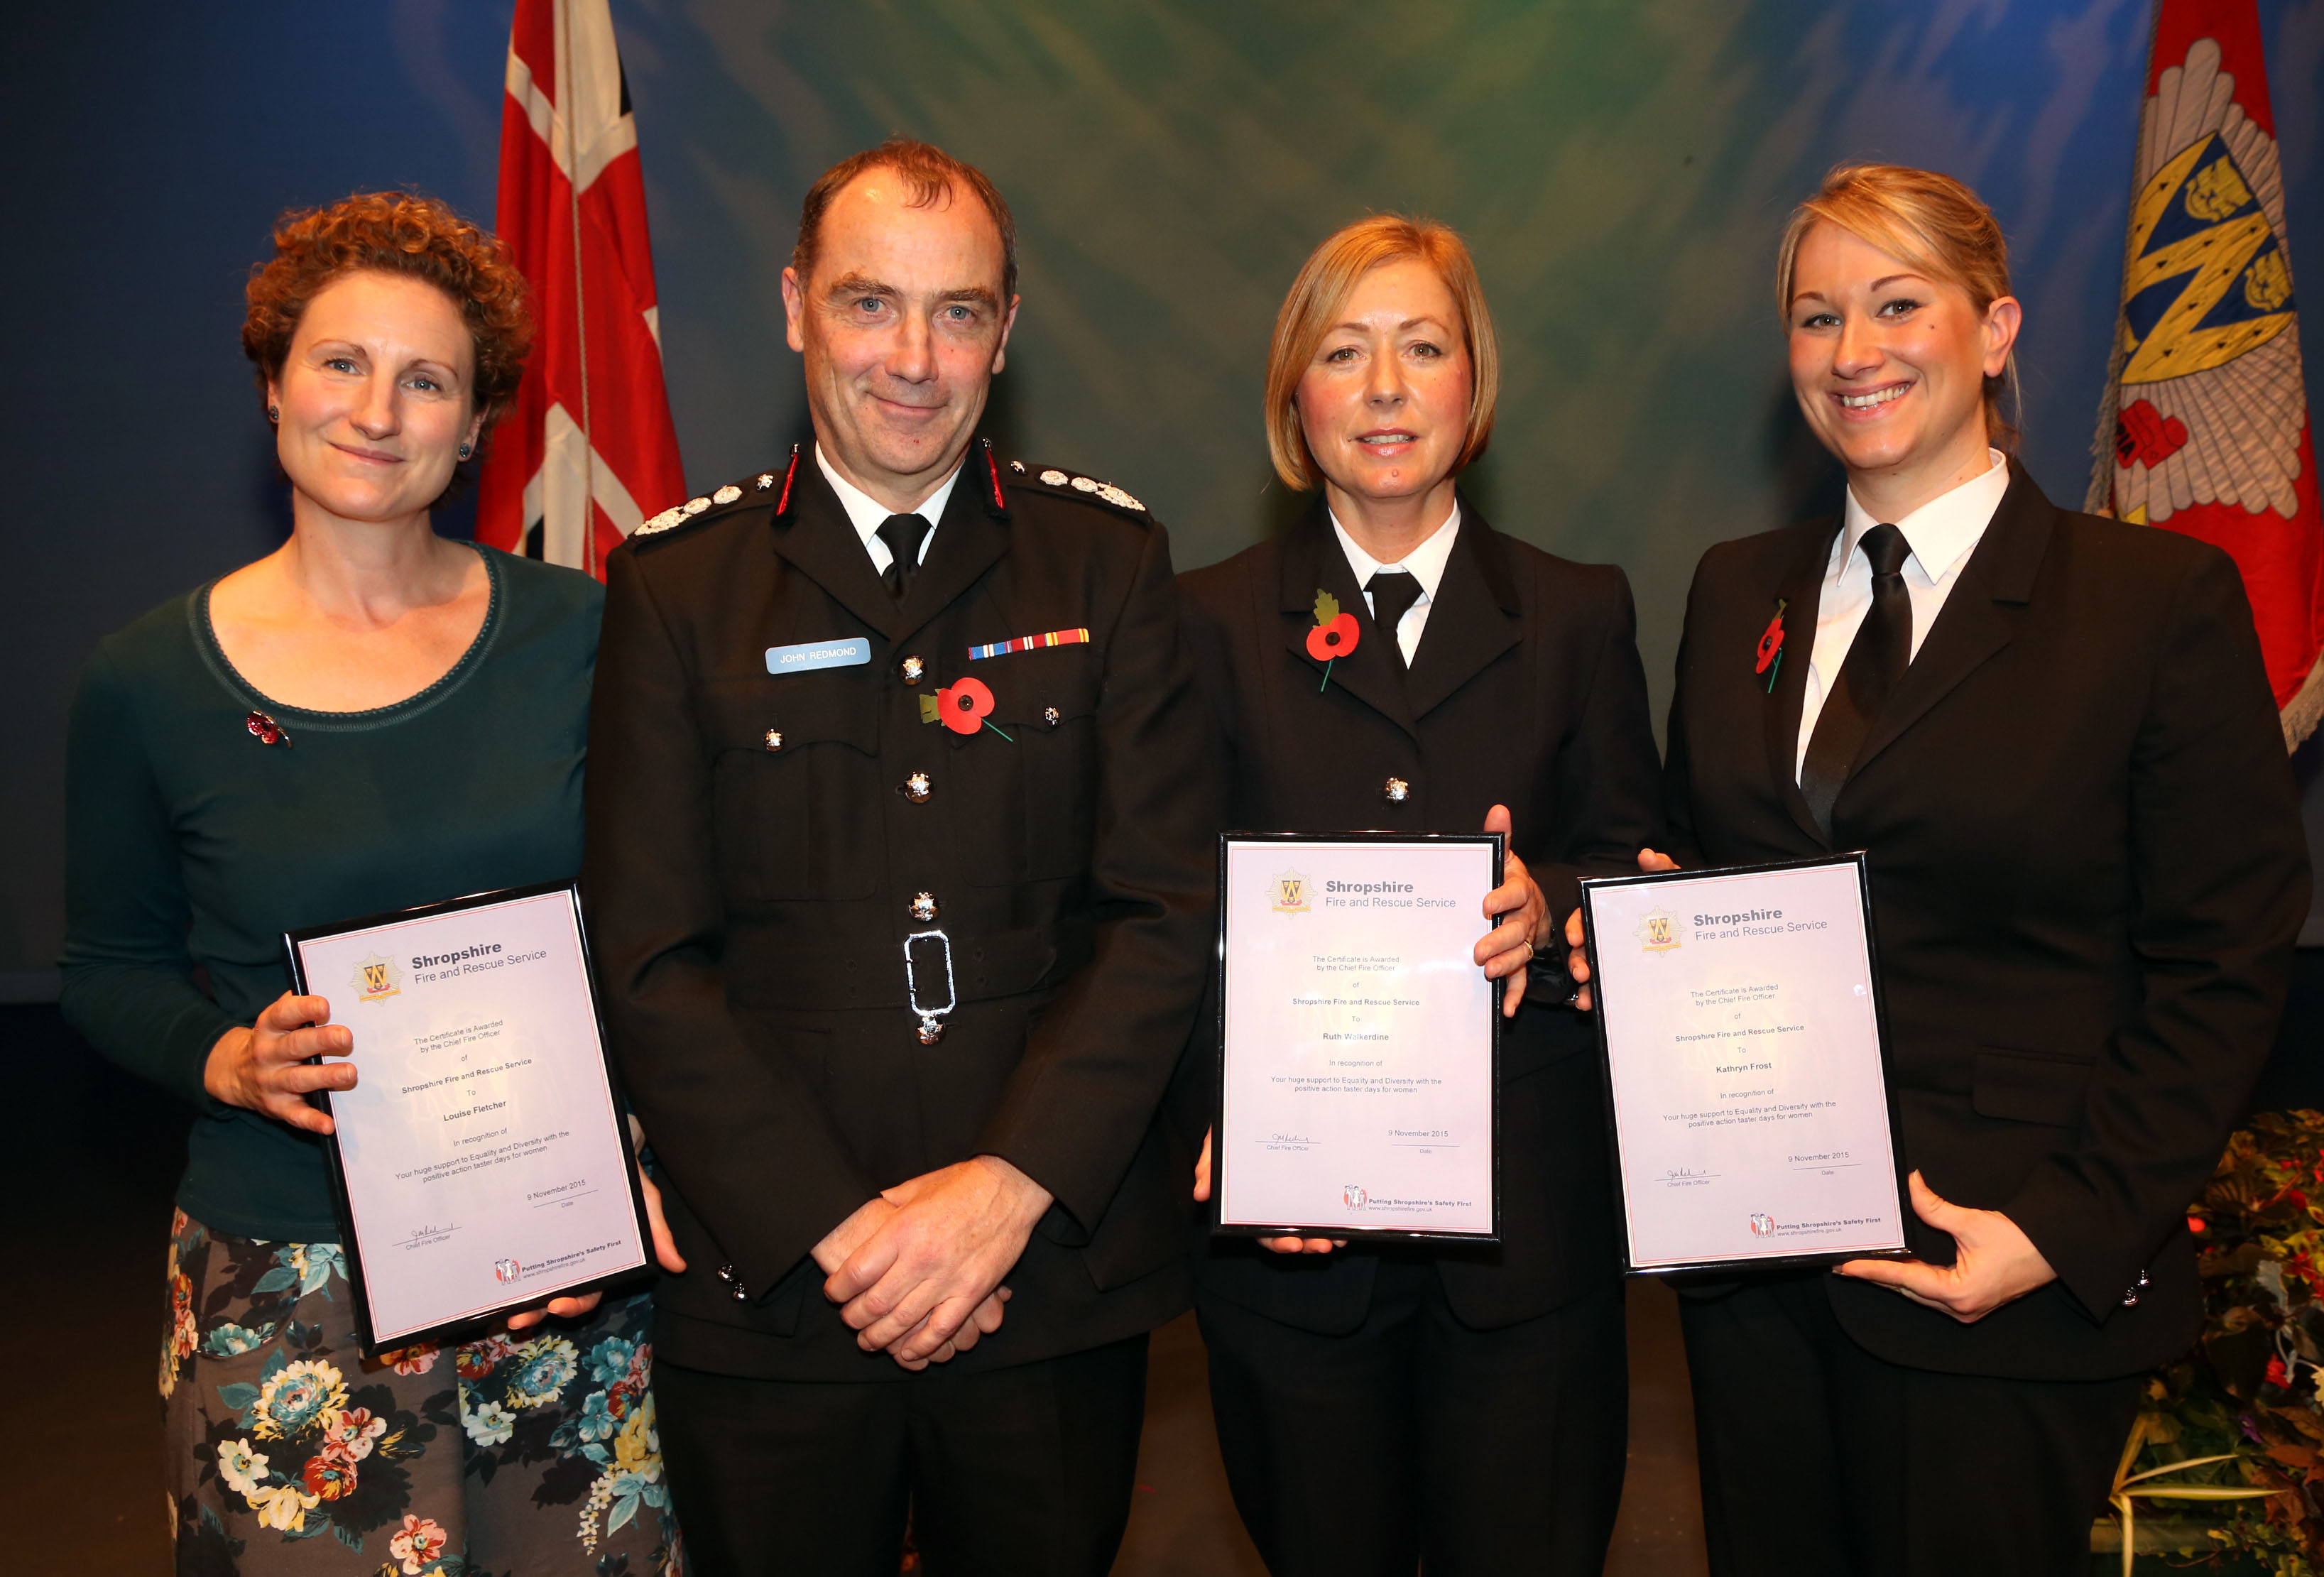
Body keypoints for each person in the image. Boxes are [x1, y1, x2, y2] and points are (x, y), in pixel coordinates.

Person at [1565, 163, 2311, 1575]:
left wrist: (2062, 1226)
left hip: (1996, 1268)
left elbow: (2223, 962)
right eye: (1813, 316)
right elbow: (1706, 869)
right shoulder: (1736, 587)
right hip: (1752, 1274)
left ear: (1995, 325)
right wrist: (1636, 931)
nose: (1852, 352)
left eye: (1895, 304)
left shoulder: (2150, 605)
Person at [582, 137, 1222, 1576]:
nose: (913, 359)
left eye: (959, 311)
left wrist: (1004, 1188)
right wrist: (833, 1229)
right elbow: (647, 952)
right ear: (797, 304)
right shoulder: (678, 586)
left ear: (1009, 326)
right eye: (871, 304)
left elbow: (1161, 915)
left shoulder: (1105, 565)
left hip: (1044, 1278)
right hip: (776, 1294)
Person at [60, 193, 683, 1574]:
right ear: (274, 379)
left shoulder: (591, 635)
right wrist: (225, 1056)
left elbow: (671, 930)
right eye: (340, 362)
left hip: (560, 1266)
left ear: (476, 427)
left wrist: (640, 1148)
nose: (376, 408)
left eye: (427, 379)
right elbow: (106, 971)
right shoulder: (148, 682)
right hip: (292, 1278)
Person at [1176, 214, 1662, 1576]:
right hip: (1292, 1249)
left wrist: (1554, 902)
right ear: (1295, 394)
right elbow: (1155, 913)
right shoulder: (1200, 622)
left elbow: (1643, 864)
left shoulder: (1578, 612)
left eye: (1422, 346)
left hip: (1529, 1254)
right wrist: (1210, 1113)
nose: (1385, 387)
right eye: (1344, 350)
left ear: (1472, 385)